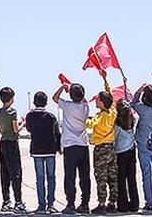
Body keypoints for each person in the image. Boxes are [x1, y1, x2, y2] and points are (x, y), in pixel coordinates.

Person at [52, 81, 90, 215]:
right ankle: (85, 203)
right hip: (83, 145)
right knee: (84, 176)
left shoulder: (67, 106)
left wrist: (63, 87)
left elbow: (55, 98)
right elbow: (84, 100)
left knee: (70, 176)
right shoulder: (86, 108)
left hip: (70, 145)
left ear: (71, 95)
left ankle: (70, 203)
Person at [25, 91, 61, 215]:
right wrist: (59, 147)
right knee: (51, 177)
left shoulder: (30, 116)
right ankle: (51, 204)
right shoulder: (51, 116)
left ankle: (41, 205)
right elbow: (57, 132)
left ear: (35, 102)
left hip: (37, 150)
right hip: (50, 150)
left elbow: (29, 129)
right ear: (46, 102)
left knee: (40, 178)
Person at [129, 84, 152, 213]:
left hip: (143, 146)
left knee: (146, 175)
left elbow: (133, 102)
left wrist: (139, 89)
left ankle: (149, 202)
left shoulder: (143, 110)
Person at [0, 81, 26, 215]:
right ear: (11, 99)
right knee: (16, 172)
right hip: (12, 143)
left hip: (2, 143)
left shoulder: (0, 111)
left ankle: (6, 201)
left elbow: (1, 128)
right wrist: (23, 123)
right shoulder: (13, 111)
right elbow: (16, 129)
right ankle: (18, 201)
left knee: (4, 173)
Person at [87, 79, 116, 215]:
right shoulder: (113, 112)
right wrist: (106, 81)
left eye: (98, 100)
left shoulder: (100, 116)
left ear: (103, 104)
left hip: (100, 149)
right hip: (111, 147)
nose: (96, 101)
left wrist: (85, 117)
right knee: (112, 176)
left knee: (101, 176)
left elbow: (89, 124)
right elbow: (111, 96)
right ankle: (112, 203)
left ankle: (101, 203)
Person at [112, 96, 139, 215]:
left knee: (121, 180)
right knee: (132, 179)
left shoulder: (117, 123)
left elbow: (114, 138)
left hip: (120, 153)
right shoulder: (132, 121)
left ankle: (122, 205)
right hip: (131, 151)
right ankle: (134, 204)